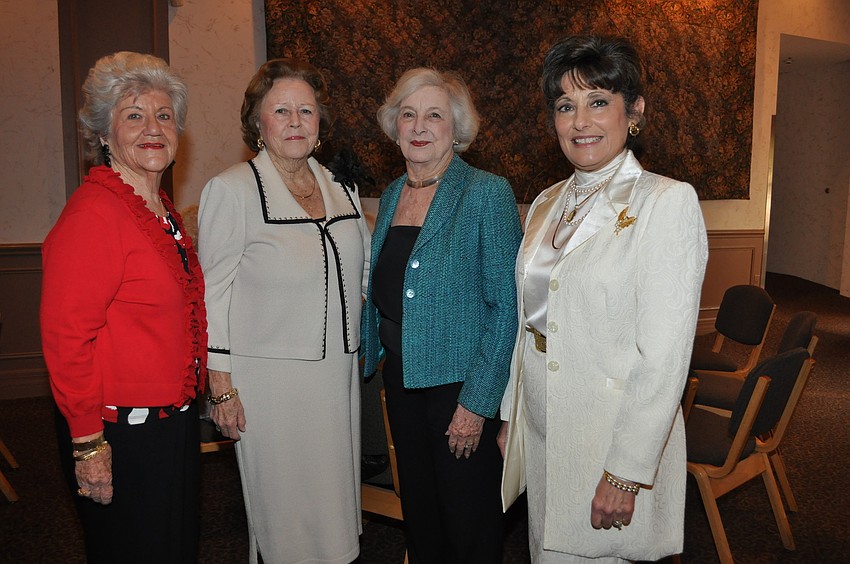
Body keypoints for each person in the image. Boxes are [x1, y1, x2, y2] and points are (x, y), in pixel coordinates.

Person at [497, 35, 708, 563]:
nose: (580, 121)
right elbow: (529, 323)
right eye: (565, 106)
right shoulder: (546, 201)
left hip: (608, 434)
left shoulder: (666, 201)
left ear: (633, 111)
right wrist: (512, 416)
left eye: (598, 102)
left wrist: (627, 472)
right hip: (546, 422)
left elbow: (664, 357)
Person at [198, 58, 371, 564]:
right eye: (281, 111)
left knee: (335, 507)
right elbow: (214, 293)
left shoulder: (343, 187)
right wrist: (221, 387)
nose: (295, 121)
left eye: (306, 110)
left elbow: (360, 269)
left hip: (336, 376)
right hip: (268, 384)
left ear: (320, 123)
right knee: (284, 516)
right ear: (258, 123)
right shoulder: (231, 190)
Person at [40, 52, 206, 563]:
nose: (152, 128)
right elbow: (67, 339)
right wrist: (90, 446)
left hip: (169, 424)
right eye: (133, 115)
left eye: (163, 115)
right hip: (119, 435)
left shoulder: (158, 211)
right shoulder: (95, 214)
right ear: (104, 132)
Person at [361, 68, 522, 563]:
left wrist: (476, 405)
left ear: (457, 127)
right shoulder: (392, 194)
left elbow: (506, 310)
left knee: (467, 522)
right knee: (423, 519)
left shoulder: (485, 193)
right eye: (408, 115)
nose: (419, 126)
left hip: (459, 389)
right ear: (394, 126)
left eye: (434, 115)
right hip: (403, 381)